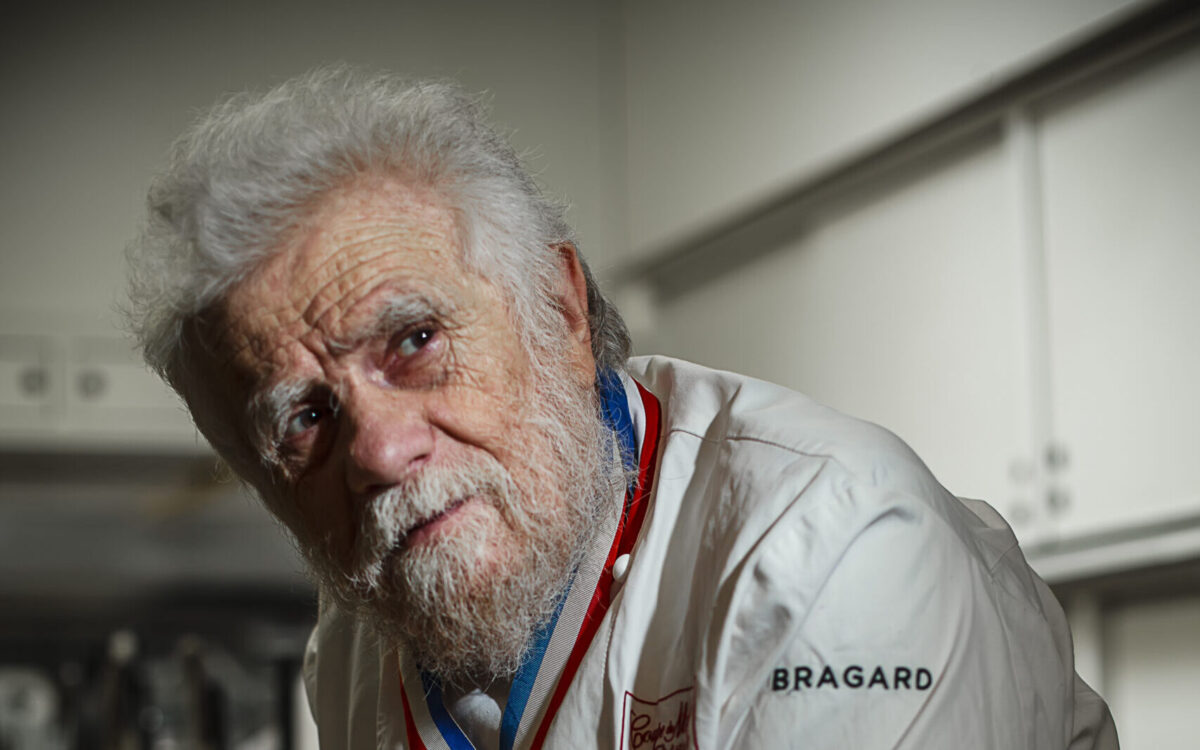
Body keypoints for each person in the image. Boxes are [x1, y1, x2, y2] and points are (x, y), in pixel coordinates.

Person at [126, 67, 1118, 750]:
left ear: (558, 307)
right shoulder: (351, 651)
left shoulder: (831, 548)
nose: (379, 449)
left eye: (415, 341)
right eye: (301, 417)